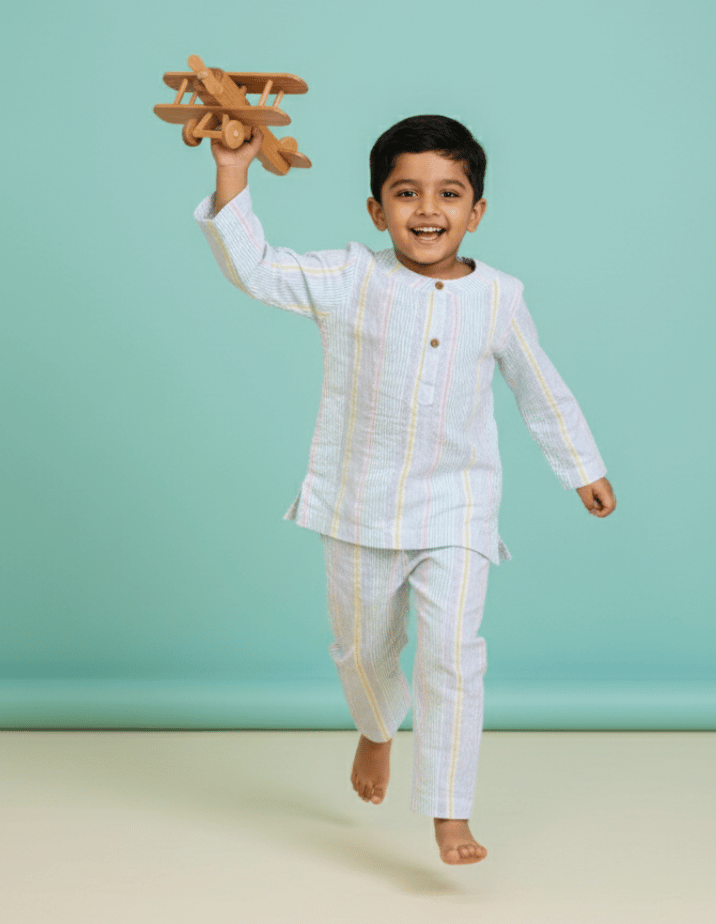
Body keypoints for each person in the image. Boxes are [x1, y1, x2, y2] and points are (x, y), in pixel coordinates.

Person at [194, 115, 616, 865]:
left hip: (457, 506)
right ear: (375, 208)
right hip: (357, 503)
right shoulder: (352, 276)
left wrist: (581, 465)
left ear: (476, 210)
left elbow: (538, 385)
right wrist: (234, 168)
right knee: (362, 649)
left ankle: (450, 811)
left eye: (449, 193)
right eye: (406, 192)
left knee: (454, 654)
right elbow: (256, 268)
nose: (427, 210)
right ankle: (378, 723)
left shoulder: (500, 297)